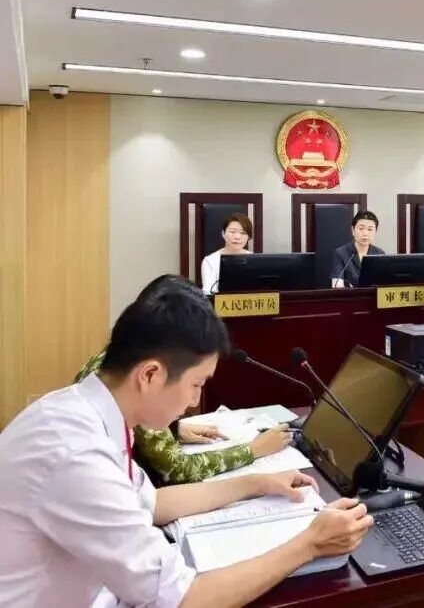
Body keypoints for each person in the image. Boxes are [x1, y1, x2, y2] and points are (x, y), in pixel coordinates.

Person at [0, 278, 372, 608]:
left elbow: (152, 504)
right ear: (150, 375)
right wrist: (309, 544)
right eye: (196, 384)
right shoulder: (75, 453)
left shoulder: (89, 412)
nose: (194, 402)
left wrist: (256, 484)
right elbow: (181, 599)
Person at [73, 276, 291, 484]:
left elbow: (146, 497)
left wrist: (174, 430)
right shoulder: (91, 441)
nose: (195, 400)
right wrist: (252, 450)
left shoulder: (113, 367)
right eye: (196, 384)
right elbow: (177, 470)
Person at [330, 210, 386, 288]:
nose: (365, 233)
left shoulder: (380, 254)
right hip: (350, 295)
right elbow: (337, 285)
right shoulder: (341, 253)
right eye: (361, 228)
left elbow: (383, 283)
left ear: (375, 231)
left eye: (370, 229)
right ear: (353, 230)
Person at [201, 212, 253, 294]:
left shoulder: (254, 259)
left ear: (249, 237)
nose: (237, 237)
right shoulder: (210, 260)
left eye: (243, 233)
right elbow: (208, 293)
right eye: (232, 232)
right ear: (223, 234)